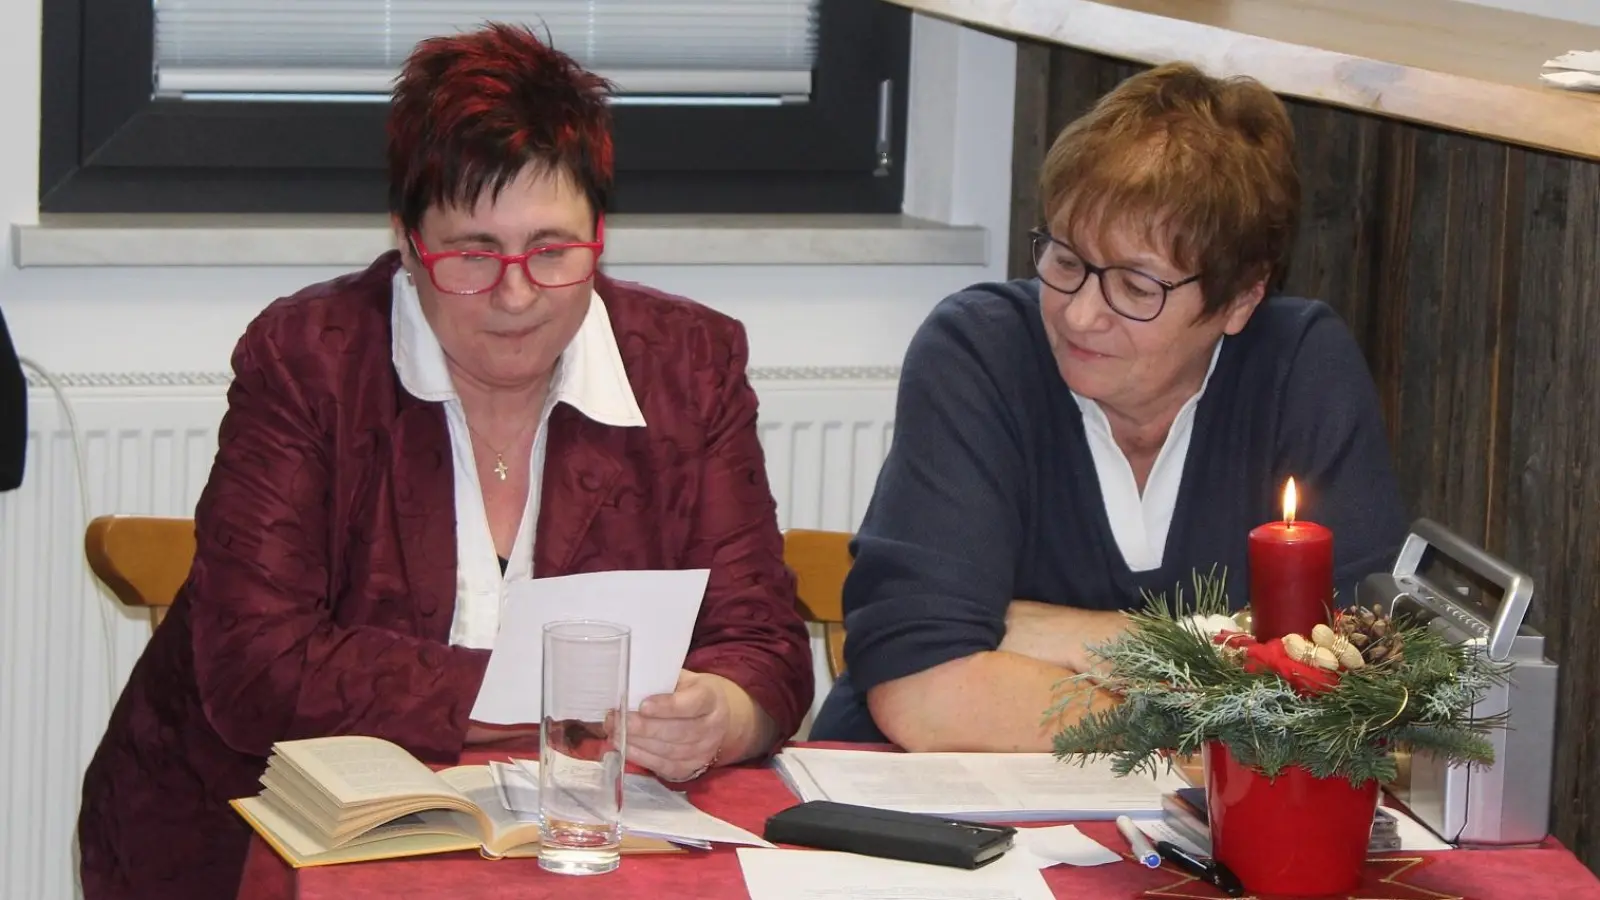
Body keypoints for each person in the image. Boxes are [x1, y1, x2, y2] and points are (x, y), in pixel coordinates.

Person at [77, 23, 813, 899]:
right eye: (470, 253)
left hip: (582, 854)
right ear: (405, 241)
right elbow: (256, 666)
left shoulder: (690, 365)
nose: (513, 294)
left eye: (552, 251)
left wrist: (723, 715)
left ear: (600, 233)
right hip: (247, 845)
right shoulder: (310, 360)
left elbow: (765, 642)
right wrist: (554, 698)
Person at [809, 63, 1406, 751]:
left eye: (1136, 286)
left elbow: (1362, 688)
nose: (1083, 314)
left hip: (1191, 839)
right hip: (920, 818)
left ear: (1240, 299)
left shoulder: (1299, 366)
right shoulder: (981, 351)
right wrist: (1222, 682)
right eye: (1066, 260)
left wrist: (1062, 634)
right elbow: (925, 693)